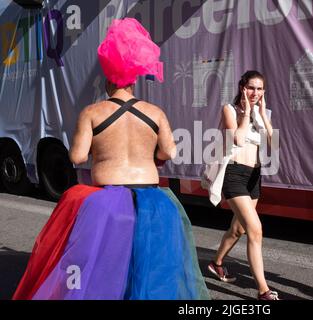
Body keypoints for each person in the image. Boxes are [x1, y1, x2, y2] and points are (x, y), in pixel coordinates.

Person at [13, 18, 210, 300]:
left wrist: (100, 148)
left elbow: (77, 156)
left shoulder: (92, 112)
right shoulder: (155, 113)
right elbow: (169, 152)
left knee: (101, 273)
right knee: (150, 274)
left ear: (108, 78)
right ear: (134, 79)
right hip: (154, 203)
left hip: (106, 201)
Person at [202, 71, 278, 300]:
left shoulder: (263, 113)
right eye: (251, 88)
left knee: (239, 229)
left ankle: (216, 263)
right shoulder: (230, 109)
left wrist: (263, 115)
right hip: (234, 174)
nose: (256, 93)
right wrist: (246, 114)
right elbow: (237, 138)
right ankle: (263, 291)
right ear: (242, 87)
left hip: (254, 175)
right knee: (255, 230)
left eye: (260, 89)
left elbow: (273, 144)